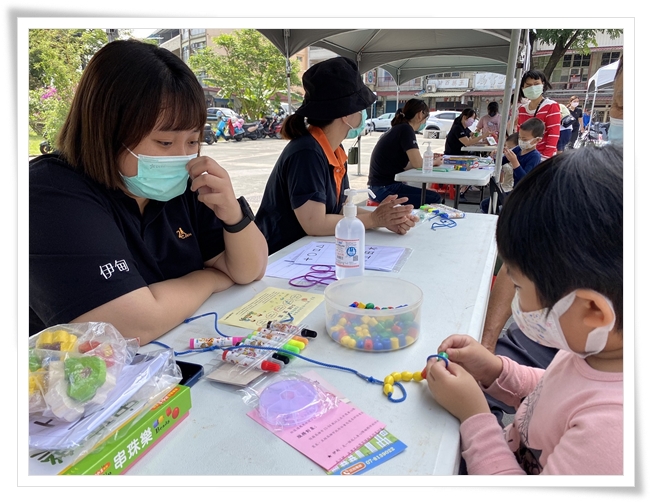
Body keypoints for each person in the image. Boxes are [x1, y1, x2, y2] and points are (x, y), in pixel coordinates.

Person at [29, 40, 268, 344]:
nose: (182, 157)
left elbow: (250, 269)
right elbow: (132, 326)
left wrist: (232, 214)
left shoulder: (186, 186)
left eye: (193, 142)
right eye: (165, 143)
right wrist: (209, 279)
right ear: (107, 130)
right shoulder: (51, 194)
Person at [424, 144, 623, 475]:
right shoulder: (593, 348)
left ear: (592, 310)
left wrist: (474, 416)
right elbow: (553, 390)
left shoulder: (614, 436)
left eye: (519, 287)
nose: (515, 300)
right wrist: (495, 371)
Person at [255, 57, 418, 256]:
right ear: (345, 114)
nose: (363, 115)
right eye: (360, 108)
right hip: (279, 256)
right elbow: (315, 223)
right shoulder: (306, 153)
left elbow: (341, 210)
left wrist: (384, 219)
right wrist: (374, 220)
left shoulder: (334, 150)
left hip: (308, 250)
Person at [367, 99, 443, 207]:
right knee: (434, 198)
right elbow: (417, 164)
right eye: (426, 117)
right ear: (420, 115)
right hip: (384, 189)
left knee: (430, 194)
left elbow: (407, 165)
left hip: (379, 187)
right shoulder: (406, 129)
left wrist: (428, 160)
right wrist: (434, 162)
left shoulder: (399, 128)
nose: (425, 122)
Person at [479, 118, 544, 213]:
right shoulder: (519, 149)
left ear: (537, 140)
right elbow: (501, 161)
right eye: (520, 138)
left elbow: (525, 180)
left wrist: (515, 163)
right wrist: (495, 156)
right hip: (516, 191)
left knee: (489, 206)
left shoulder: (534, 156)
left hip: (525, 194)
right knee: (486, 204)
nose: (521, 141)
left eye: (525, 139)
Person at [516, 69, 561, 160]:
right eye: (528, 85)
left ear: (543, 84)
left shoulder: (551, 106)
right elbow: (519, 134)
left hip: (543, 157)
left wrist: (545, 158)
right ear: (522, 88)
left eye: (536, 84)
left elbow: (554, 134)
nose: (532, 87)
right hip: (526, 155)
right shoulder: (522, 109)